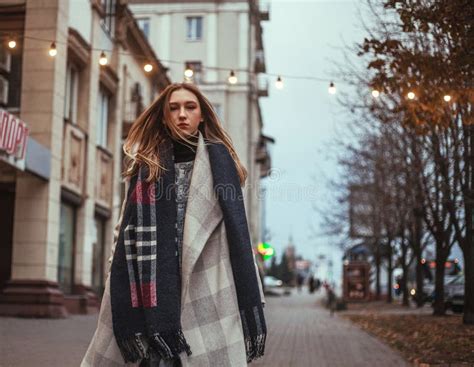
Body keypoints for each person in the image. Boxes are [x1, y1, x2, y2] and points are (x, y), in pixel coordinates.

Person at [82, 83, 267, 367]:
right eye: (174, 108)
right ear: (165, 116)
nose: (182, 114)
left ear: (202, 115)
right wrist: (115, 278)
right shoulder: (147, 165)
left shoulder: (223, 167)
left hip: (207, 284)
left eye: (190, 107)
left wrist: (253, 288)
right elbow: (124, 228)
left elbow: (239, 236)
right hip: (154, 284)